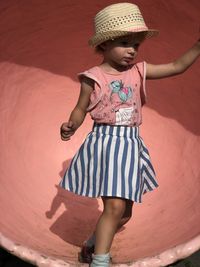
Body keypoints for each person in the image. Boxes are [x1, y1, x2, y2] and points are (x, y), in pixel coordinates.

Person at [59, 2, 200, 266]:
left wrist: (198, 45)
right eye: (125, 42)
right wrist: (71, 124)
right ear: (104, 44)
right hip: (105, 144)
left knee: (124, 214)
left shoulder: (138, 71)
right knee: (113, 207)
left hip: (131, 145)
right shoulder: (93, 77)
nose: (132, 50)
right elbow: (80, 109)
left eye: (136, 44)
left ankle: (91, 245)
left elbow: (177, 66)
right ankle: (100, 261)